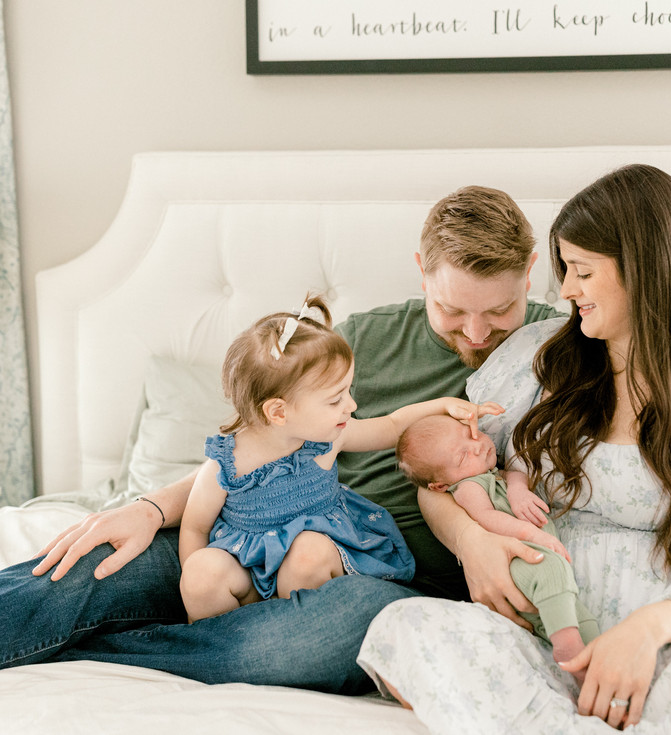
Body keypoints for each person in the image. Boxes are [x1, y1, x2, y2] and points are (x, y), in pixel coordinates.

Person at [0, 185, 561, 692]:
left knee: (330, 628)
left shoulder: (561, 354)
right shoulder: (361, 340)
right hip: (255, 535)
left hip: (385, 581)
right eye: (452, 310)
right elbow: (257, 453)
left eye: (500, 309)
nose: (478, 332)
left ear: (532, 271)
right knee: (93, 565)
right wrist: (148, 507)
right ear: (421, 271)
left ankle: (110, 656)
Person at [356, 163, 671, 732]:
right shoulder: (536, 359)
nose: (564, 290)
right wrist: (473, 541)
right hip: (541, 629)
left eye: (583, 271)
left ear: (645, 273)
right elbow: (444, 482)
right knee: (402, 629)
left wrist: (650, 628)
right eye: (564, 269)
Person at [180, 295, 501, 622]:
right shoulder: (225, 464)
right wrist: (193, 582)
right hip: (247, 569)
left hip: (313, 570)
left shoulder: (330, 439)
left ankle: (293, 633)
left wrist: (446, 404)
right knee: (200, 572)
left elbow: (391, 425)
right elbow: (194, 527)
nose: (351, 406)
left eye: (348, 391)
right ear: (279, 412)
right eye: (335, 400)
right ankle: (225, 635)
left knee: (307, 551)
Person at [396, 414, 598, 672]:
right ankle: (567, 649)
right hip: (515, 562)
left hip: (533, 559)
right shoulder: (468, 488)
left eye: (470, 434)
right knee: (550, 572)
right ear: (440, 486)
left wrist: (517, 491)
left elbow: (515, 475)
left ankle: (583, 672)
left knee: (583, 622)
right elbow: (487, 518)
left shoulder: (492, 473)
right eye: (462, 456)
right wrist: (533, 534)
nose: (477, 445)